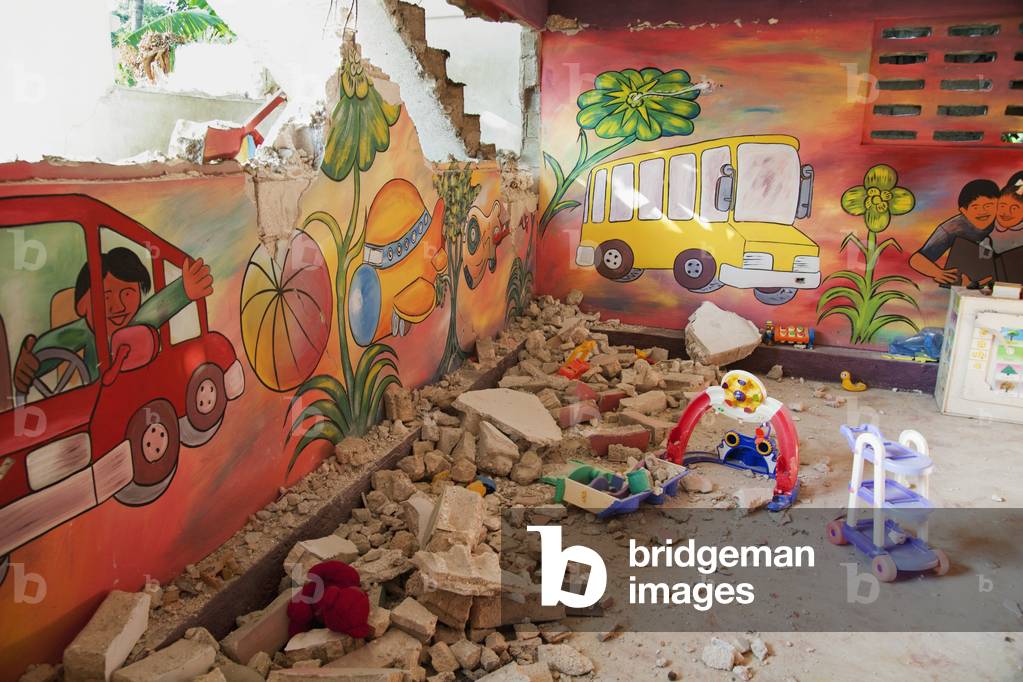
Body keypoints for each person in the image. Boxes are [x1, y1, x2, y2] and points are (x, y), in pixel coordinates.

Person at [13, 247, 213, 396]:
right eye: (105, 296)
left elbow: (157, 309)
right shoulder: (84, 332)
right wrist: (31, 363)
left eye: (127, 293)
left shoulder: (135, 325)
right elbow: (57, 343)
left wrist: (184, 290)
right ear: (82, 305)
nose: (117, 307)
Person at [909, 179, 999, 286]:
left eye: (988, 206)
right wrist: (937, 273)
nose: (983, 211)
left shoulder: (1002, 219)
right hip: (965, 279)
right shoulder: (950, 229)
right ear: (964, 211)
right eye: (976, 207)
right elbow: (916, 259)